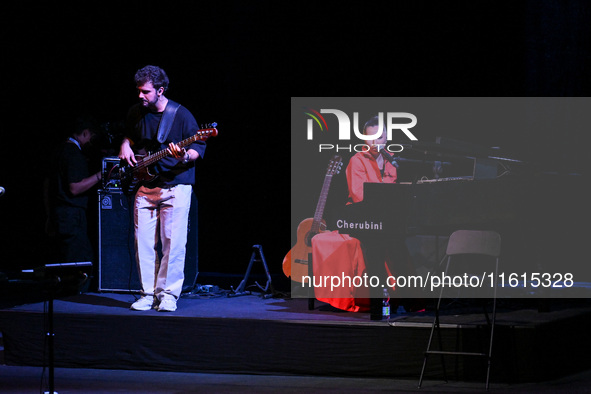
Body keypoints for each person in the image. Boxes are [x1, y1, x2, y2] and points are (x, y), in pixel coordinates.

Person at [119, 65, 206, 312]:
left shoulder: (181, 115)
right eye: (139, 91)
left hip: (175, 186)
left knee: (173, 243)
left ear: (160, 90)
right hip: (144, 185)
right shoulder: (136, 112)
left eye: (145, 92)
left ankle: (168, 294)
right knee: (143, 243)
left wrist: (184, 157)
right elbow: (130, 135)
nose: (140, 96)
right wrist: (125, 144)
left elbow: (196, 148)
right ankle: (147, 293)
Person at [45, 117, 102, 265]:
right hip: (71, 216)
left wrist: (49, 216)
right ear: (85, 133)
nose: (91, 141)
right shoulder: (73, 153)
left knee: (65, 260)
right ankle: (77, 289)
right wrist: (100, 175)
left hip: (60, 214)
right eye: (91, 137)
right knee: (80, 261)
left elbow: (47, 185)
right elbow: (75, 188)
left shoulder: (59, 150)